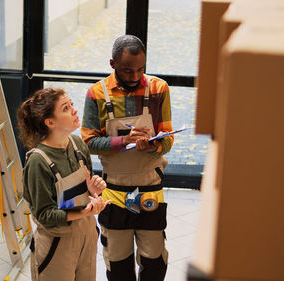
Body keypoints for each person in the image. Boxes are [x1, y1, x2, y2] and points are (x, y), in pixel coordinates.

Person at [81, 34, 174, 281]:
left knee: (154, 260)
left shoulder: (158, 89)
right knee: (118, 261)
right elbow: (89, 142)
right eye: (127, 70)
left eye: (140, 69)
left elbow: (168, 141)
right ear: (112, 64)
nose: (135, 76)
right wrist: (123, 140)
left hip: (150, 188)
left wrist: (152, 145)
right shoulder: (97, 94)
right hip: (114, 190)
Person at [17, 87, 110, 281]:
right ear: (50, 122)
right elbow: (45, 214)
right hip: (57, 243)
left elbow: (83, 191)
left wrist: (93, 191)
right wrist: (85, 211)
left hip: (86, 235)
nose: (74, 110)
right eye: (66, 108)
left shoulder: (78, 144)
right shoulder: (38, 161)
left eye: (72, 105)